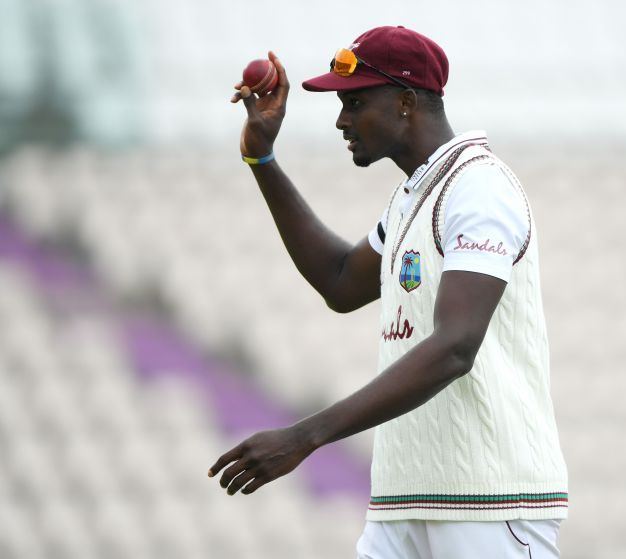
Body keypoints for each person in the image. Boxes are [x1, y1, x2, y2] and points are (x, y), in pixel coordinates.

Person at [208, 25, 569, 558]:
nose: (341, 119)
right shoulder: (414, 196)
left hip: (490, 503)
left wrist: (306, 436)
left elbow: (456, 346)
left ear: (405, 102)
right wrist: (262, 160)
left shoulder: (479, 187)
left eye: (355, 102)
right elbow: (339, 282)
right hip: (404, 501)